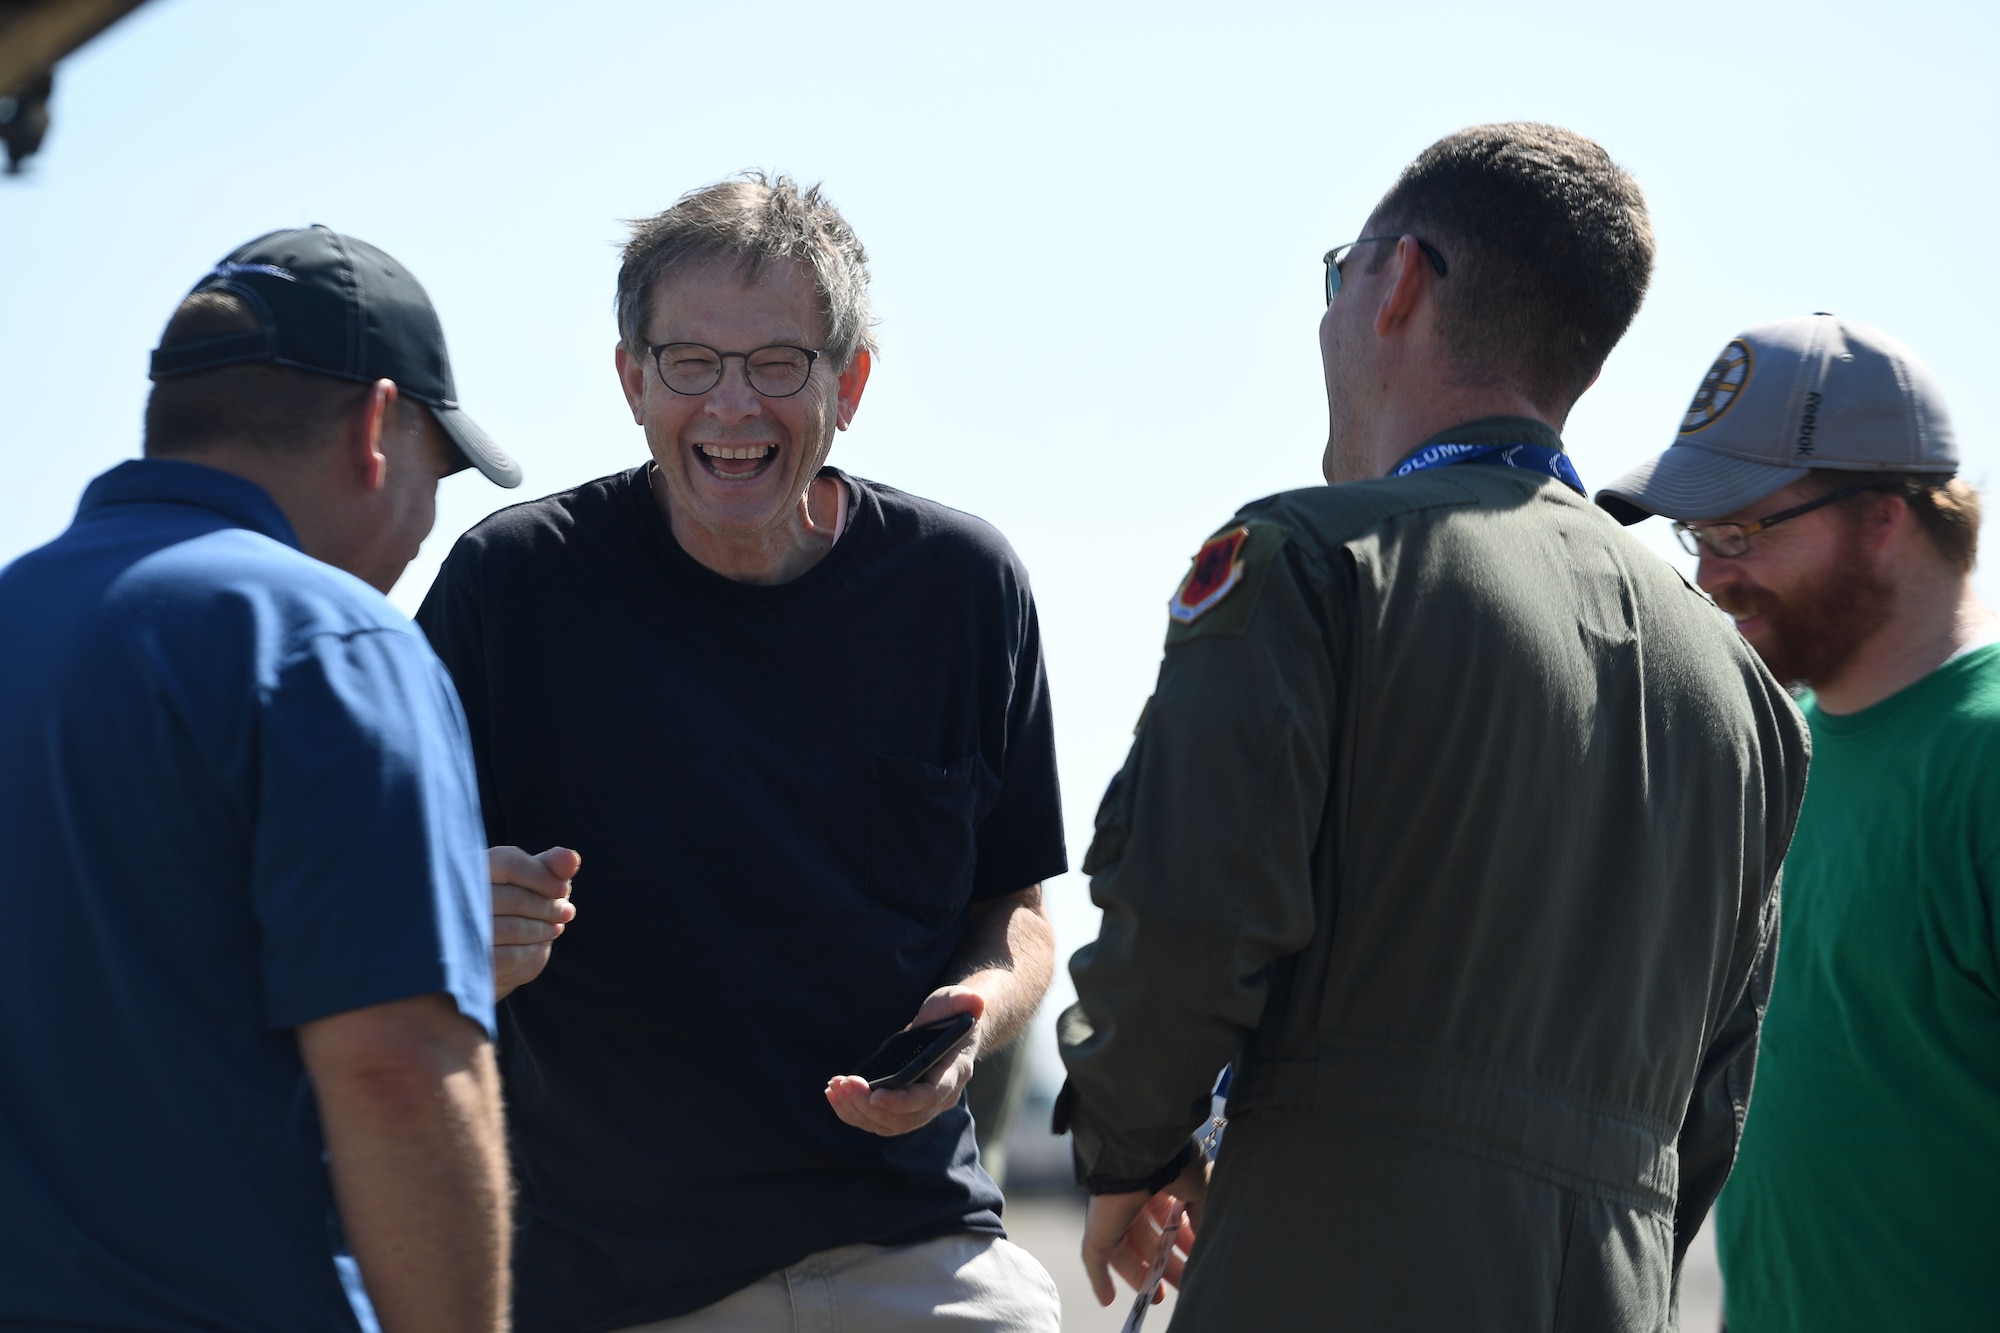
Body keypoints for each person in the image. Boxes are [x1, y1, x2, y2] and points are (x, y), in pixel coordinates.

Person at [1054, 123, 1812, 1331]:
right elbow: (1710, 1098)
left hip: (1330, 1263)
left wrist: (1124, 1143)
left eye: (1338, 276)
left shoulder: (1311, 561)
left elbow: (1192, 908)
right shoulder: (1745, 695)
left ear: (1395, 281)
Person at [416, 173, 1067, 1333]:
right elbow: (366, 900)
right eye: (690, 364)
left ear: (848, 383)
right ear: (631, 378)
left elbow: (1014, 906)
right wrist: (457, 922)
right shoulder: (508, 588)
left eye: (777, 364)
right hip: (611, 1275)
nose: (732, 408)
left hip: (909, 1240)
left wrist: (978, 1005)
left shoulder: (962, 587)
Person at [0, 227, 521, 1330]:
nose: (429, 525)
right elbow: (395, 1071)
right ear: (380, 429)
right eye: (440, 470)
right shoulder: (329, 644)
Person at [1597, 314, 1999, 1332]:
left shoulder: (1980, 757)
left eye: (1742, 531)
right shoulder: (1774, 757)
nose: (1709, 576)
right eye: (1699, 537)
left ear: (1880, 515)